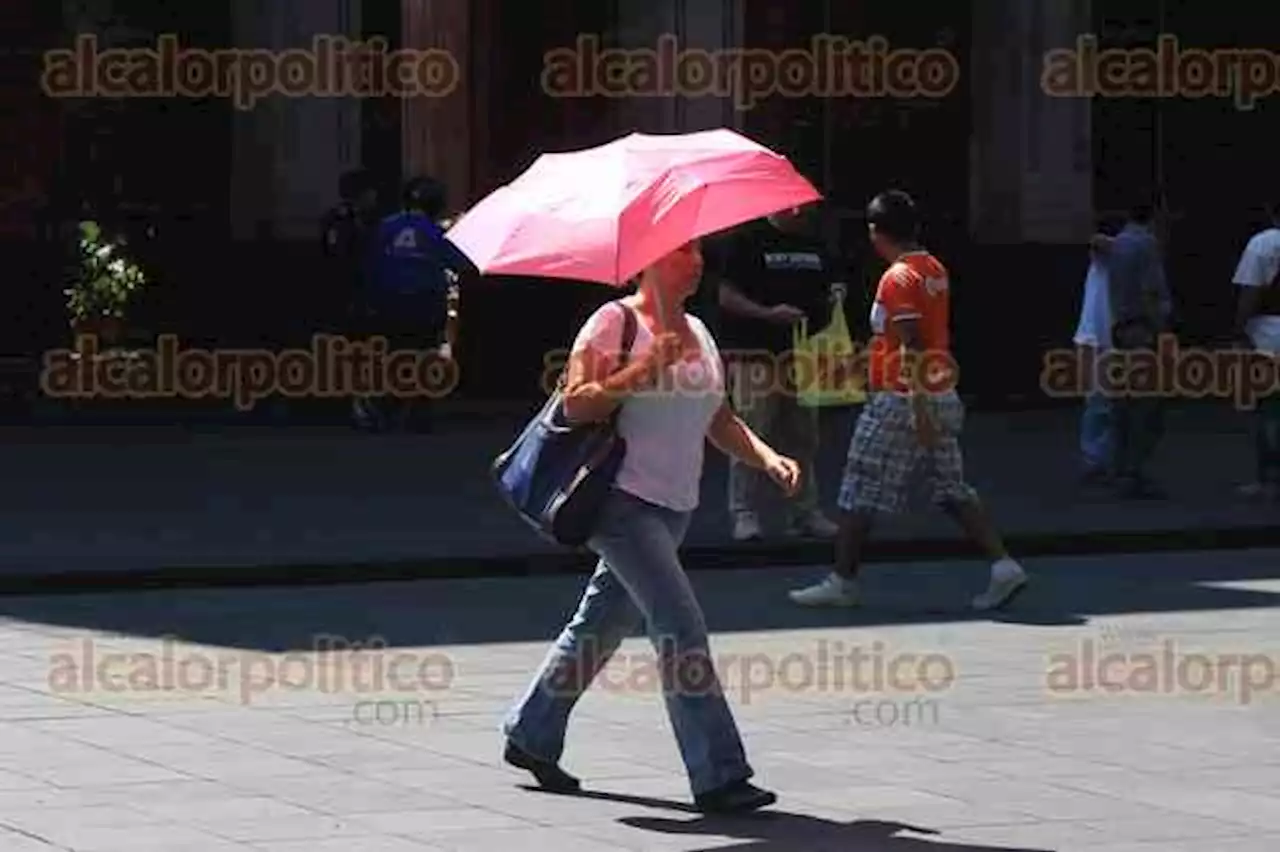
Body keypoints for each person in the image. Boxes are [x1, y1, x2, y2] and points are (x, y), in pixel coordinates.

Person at [502, 239, 800, 813]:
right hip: (620, 503)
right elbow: (577, 403)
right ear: (646, 261)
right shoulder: (614, 321)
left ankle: (530, 732)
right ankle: (720, 775)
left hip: (674, 505)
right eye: (681, 251)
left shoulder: (701, 332)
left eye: (698, 252)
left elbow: (718, 416)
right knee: (680, 627)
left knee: (600, 624)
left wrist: (765, 456)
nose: (696, 261)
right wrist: (643, 368)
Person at [788, 190, 1028, 610]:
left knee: (858, 486)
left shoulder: (896, 277)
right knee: (951, 486)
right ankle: (1003, 566)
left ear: (875, 232)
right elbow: (902, 339)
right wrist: (860, 363)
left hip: (902, 398)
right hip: (937, 390)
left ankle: (842, 581)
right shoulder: (933, 268)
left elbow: (913, 344)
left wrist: (917, 409)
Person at [715, 204, 840, 541]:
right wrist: (767, 314)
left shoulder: (815, 245)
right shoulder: (748, 242)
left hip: (803, 355)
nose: (797, 210)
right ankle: (744, 513)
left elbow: (829, 295)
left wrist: (828, 311)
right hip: (755, 354)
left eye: (801, 204)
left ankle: (804, 513)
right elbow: (726, 296)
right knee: (754, 432)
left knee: (803, 436)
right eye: (790, 203)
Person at [356, 175, 473, 430]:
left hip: (388, 304)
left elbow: (368, 263)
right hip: (426, 306)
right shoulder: (437, 232)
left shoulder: (385, 227)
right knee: (424, 356)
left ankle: (384, 407)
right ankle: (417, 413)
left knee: (395, 356)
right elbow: (459, 262)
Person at [1090, 195, 1173, 498]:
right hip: (1142, 332)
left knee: (1124, 405)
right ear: (1154, 216)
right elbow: (1153, 293)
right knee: (1147, 408)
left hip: (1121, 330)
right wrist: (1163, 332)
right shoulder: (1147, 245)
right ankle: (1133, 471)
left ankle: (1119, 467)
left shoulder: (1119, 244)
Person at [1231, 197, 1280, 500]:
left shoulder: (1262, 244)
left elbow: (1249, 293)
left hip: (1269, 336)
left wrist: (1238, 330)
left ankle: (1269, 481)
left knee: (1269, 410)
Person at [1075, 216, 1119, 484]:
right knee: (1097, 401)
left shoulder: (1127, 261)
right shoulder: (1104, 257)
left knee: (1110, 402)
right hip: (1095, 338)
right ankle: (1094, 459)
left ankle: (1105, 458)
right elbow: (1098, 242)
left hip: (1111, 337)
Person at [320, 169, 379, 333]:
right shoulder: (338, 219)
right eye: (371, 191)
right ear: (362, 194)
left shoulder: (371, 220)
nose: (375, 196)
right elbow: (337, 254)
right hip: (344, 287)